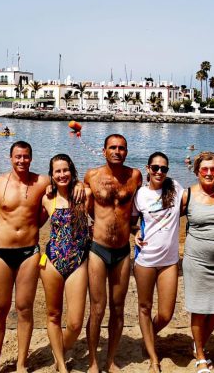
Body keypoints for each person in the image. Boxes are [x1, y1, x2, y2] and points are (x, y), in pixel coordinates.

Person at [0, 141, 50, 373]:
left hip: (29, 253)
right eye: (18, 156)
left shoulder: (42, 182)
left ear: (31, 158)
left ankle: (22, 363)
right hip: (1, 253)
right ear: (10, 158)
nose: (22, 160)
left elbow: (61, 193)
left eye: (26, 156)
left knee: (24, 308)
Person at [84, 134, 142, 373]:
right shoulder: (92, 176)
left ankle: (110, 360)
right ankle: (93, 361)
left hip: (122, 251)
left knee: (118, 308)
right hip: (98, 249)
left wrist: (137, 229)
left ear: (126, 151)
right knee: (97, 308)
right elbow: (84, 203)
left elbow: (142, 205)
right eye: (113, 147)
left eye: (121, 148)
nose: (117, 151)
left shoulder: (135, 176)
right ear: (104, 151)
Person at [39, 154, 92, 373]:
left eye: (65, 170)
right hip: (52, 260)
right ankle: (61, 363)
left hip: (78, 261)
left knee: (75, 323)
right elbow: (31, 222)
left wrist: (80, 184)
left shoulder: (84, 194)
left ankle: (60, 349)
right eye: (57, 171)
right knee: (53, 315)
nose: (62, 175)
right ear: (51, 175)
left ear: (72, 171)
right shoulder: (47, 198)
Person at [132, 152, 183, 373]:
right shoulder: (140, 195)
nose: (159, 172)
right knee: (145, 307)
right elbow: (132, 221)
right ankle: (154, 358)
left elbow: (196, 199)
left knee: (166, 313)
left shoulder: (176, 189)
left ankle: (149, 335)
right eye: (155, 168)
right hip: (145, 259)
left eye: (164, 168)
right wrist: (135, 232)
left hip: (169, 261)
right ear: (148, 169)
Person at [182, 151, 214, 373]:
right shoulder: (187, 195)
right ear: (197, 172)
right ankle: (201, 356)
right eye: (205, 169)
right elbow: (166, 219)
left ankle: (198, 342)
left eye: (213, 169)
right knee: (199, 309)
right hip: (196, 261)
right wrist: (139, 231)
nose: (209, 173)